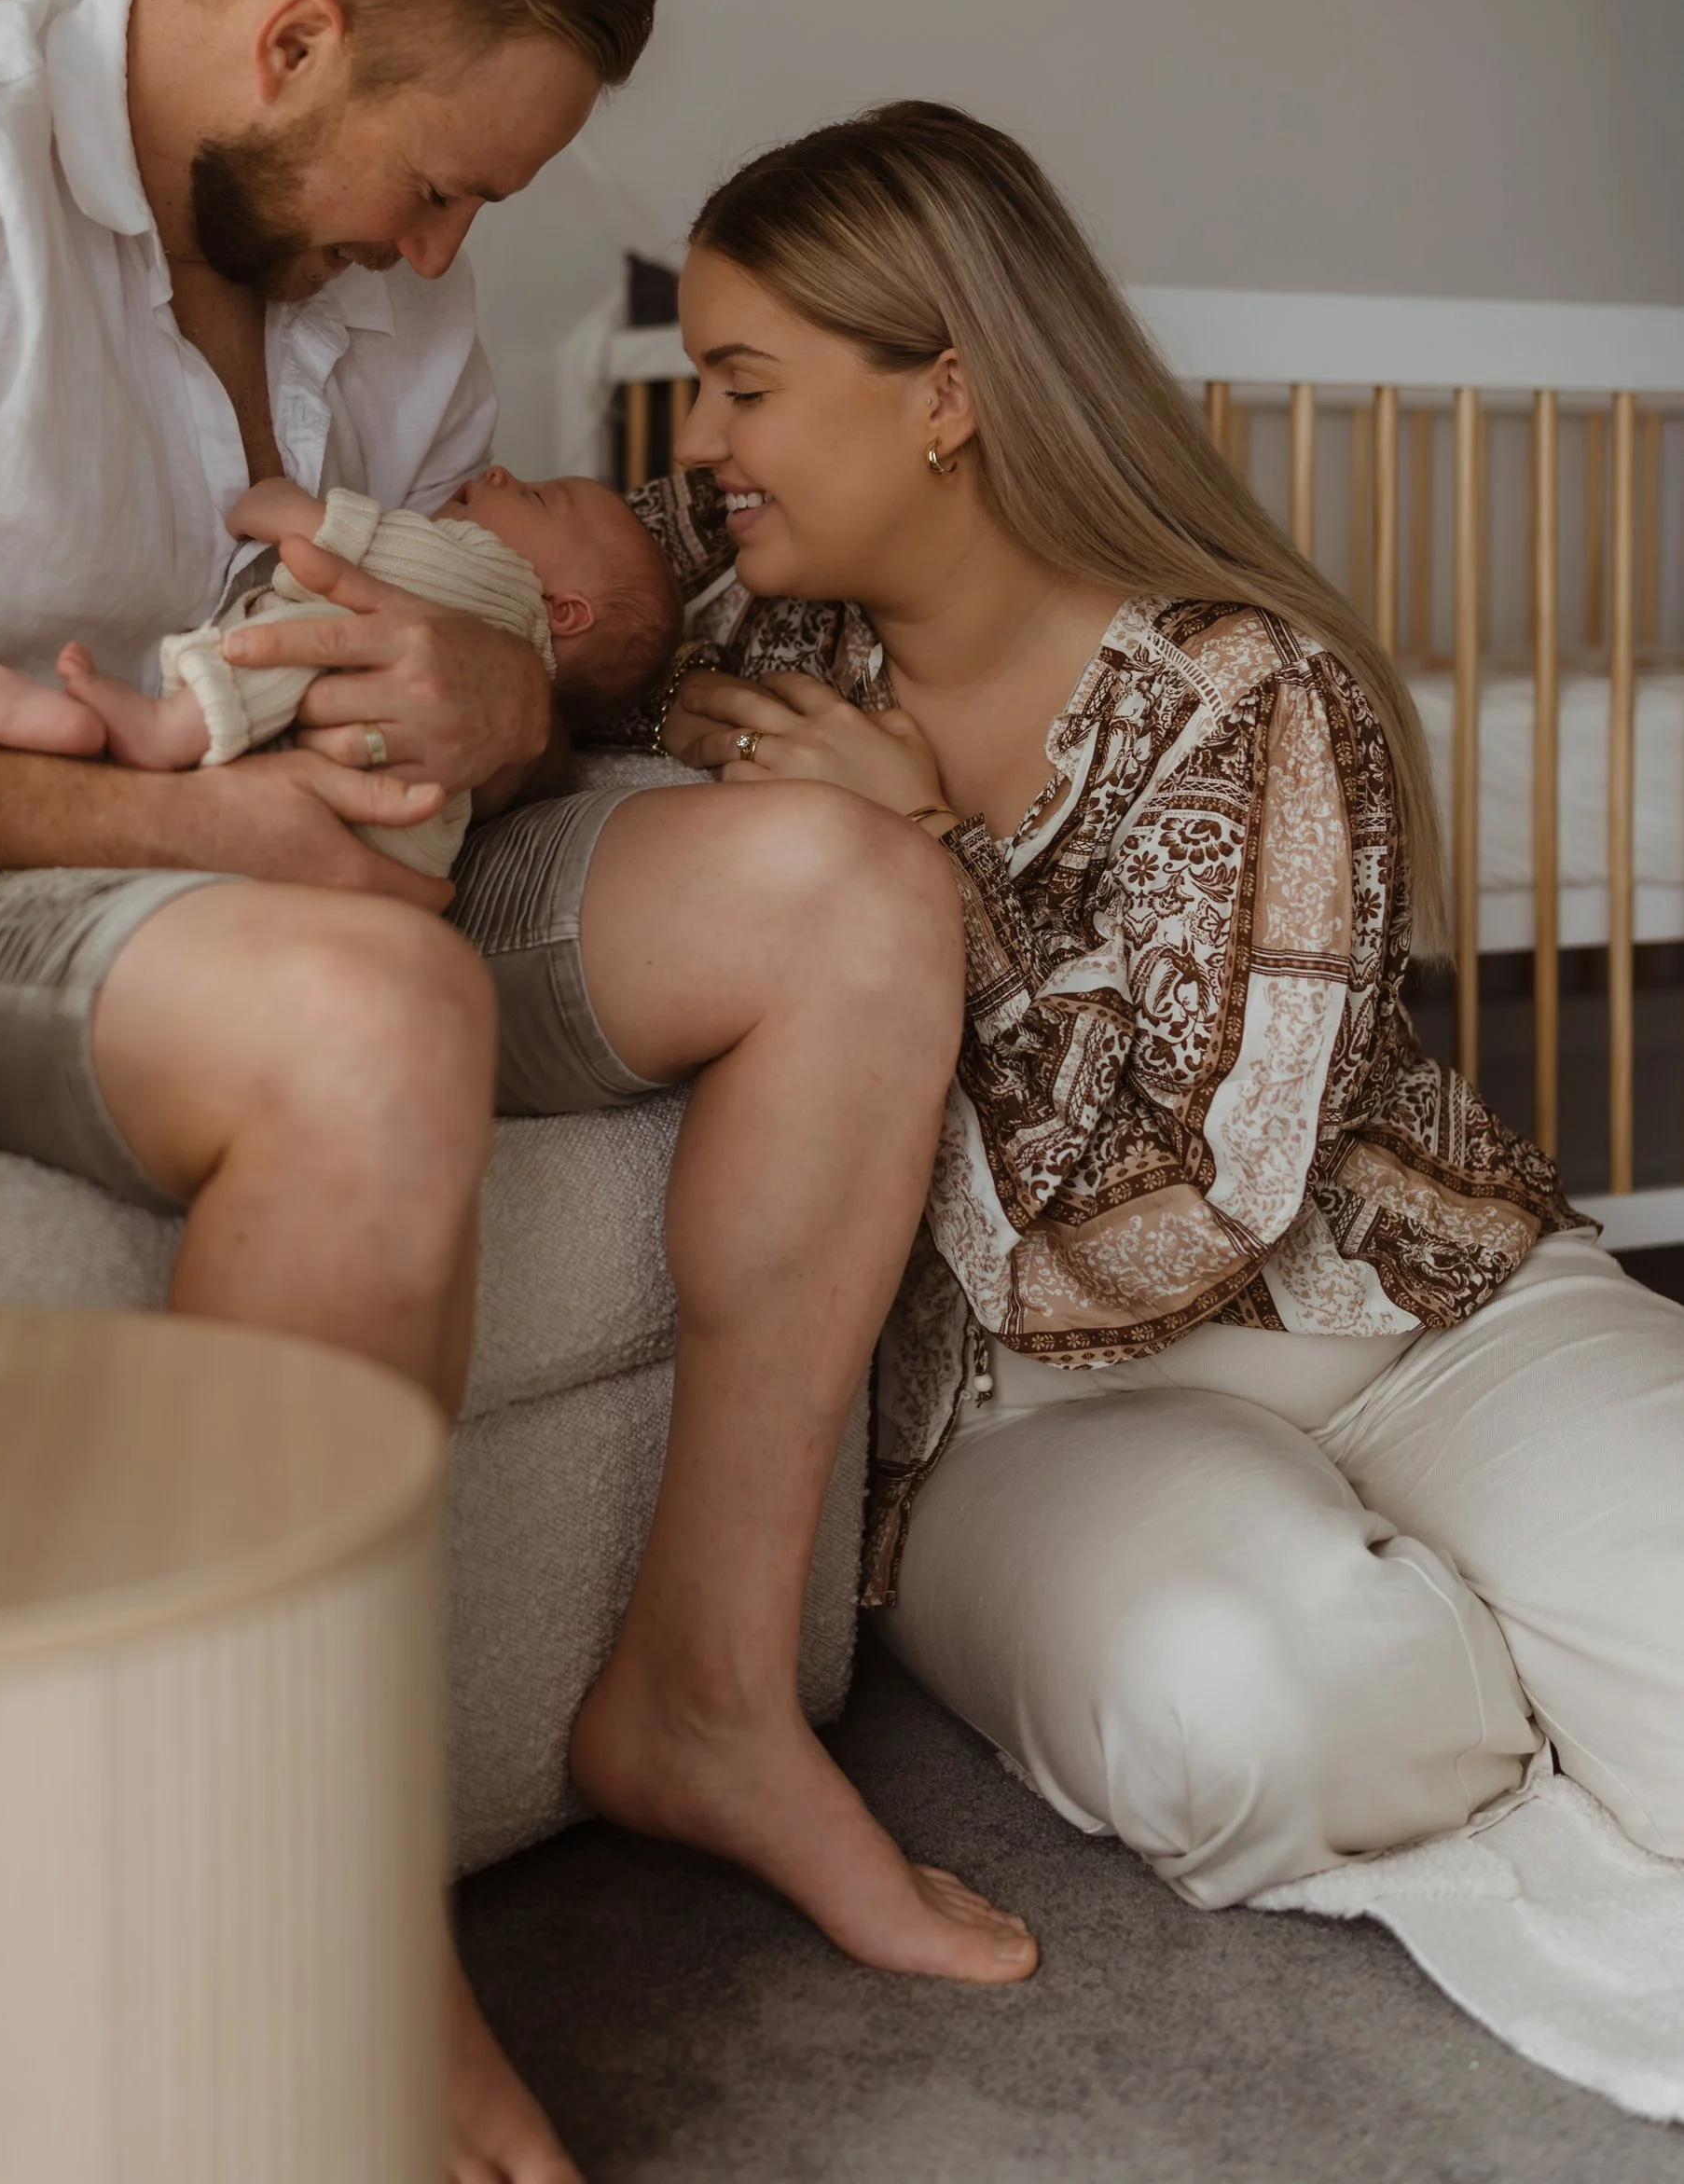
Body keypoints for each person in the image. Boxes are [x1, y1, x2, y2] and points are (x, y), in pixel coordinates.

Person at [0, 0, 1027, 2184]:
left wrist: (505, 693)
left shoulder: (376, 276)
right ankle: (296, 1890)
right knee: (371, 1013)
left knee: (858, 902)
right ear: (293, 41)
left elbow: (469, 651)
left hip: (326, 848)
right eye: (435, 187)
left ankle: (700, 1699)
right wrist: (197, 832)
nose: (443, 252)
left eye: (473, 212)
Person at [640, 96, 1684, 1908]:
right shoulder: (748, 632)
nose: (695, 441)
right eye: (692, 386)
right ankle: (1424, 1636)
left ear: (945, 396)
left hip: (1406, 1311)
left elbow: (1206, 1200)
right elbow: (554, 574)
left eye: (741, 386)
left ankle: (1511, 1596)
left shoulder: (1249, 691)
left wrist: (931, 862)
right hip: (1015, 1415)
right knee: (1282, 1726)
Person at [0, 461, 679, 876]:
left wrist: (293, 512)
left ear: (564, 612)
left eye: (537, 496)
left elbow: (382, 546)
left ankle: (163, 725)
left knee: (305, 639)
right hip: (385, 839)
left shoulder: (500, 582)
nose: (502, 471)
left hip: (327, 778)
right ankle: (81, 733)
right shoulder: (496, 635)